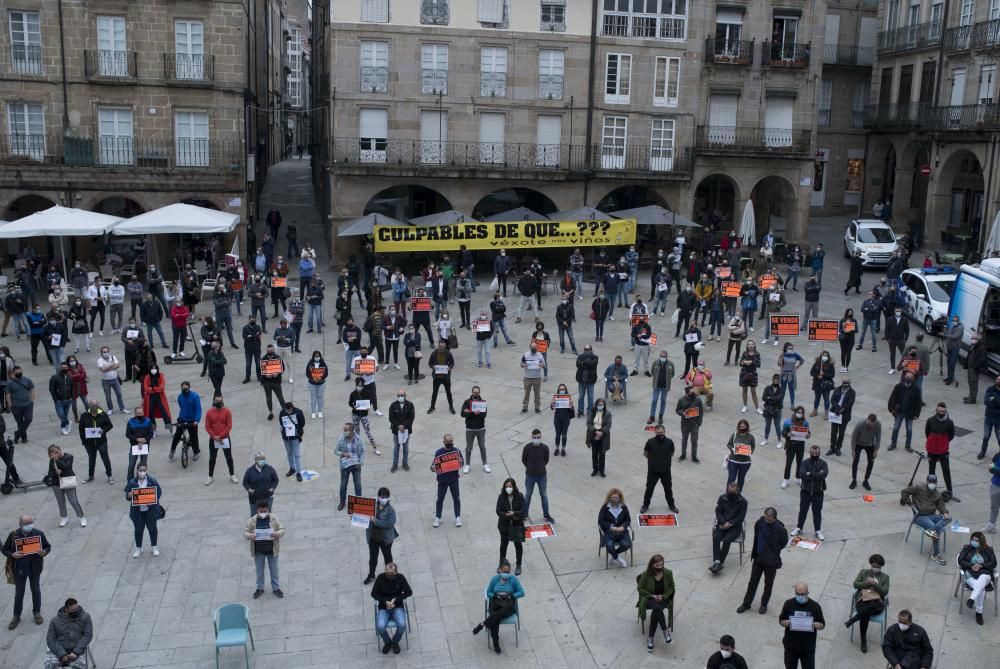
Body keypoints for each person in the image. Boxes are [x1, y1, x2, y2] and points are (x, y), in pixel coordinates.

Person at [737, 507, 789, 615]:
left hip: (771, 562)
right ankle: (746, 603)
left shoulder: (780, 530)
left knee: (768, 584)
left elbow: (784, 543)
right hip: (758, 558)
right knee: (752, 582)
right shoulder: (759, 523)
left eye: (769, 519)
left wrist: (772, 552)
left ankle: (764, 604)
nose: (767, 521)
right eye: (766, 518)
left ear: (774, 518)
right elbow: (757, 537)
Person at [2, 514, 51, 629]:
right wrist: (12, 554)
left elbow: (48, 546)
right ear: (20, 525)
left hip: (35, 568)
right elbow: (5, 549)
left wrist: (44, 551)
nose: (29, 525)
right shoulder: (14, 535)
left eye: (31, 522)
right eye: (26, 523)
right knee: (19, 593)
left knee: (35, 590)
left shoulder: (39, 533)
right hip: (19, 570)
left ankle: (37, 612)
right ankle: (16, 616)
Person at [473, 559, 524, 654]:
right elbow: (488, 593)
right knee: (495, 619)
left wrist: (512, 595)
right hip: (496, 602)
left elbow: (521, 592)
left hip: (508, 603)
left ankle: (482, 625)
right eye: (504, 572)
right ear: (500, 570)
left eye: (508, 572)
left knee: (496, 616)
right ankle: (496, 643)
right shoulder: (494, 579)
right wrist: (495, 595)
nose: (506, 574)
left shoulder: (513, 580)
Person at [843, 554, 890, 654]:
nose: (875, 568)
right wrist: (868, 583)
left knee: (870, 607)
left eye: (878, 567)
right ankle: (863, 640)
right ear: (870, 564)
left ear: (881, 567)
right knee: (866, 613)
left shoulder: (885, 577)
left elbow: (885, 592)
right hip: (863, 600)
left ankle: (854, 620)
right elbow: (856, 584)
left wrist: (875, 585)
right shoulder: (864, 573)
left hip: (877, 604)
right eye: (873, 566)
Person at [901, 474, 950, 565]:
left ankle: (932, 530)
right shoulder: (919, 487)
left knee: (948, 518)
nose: (932, 484)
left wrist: (945, 512)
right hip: (920, 516)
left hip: (932, 515)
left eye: (934, 482)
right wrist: (910, 503)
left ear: (936, 483)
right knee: (936, 531)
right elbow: (904, 491)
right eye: (930, 482)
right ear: (927, 482)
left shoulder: (937, 493)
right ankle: (936, 554)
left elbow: (941, 505)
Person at [779, 582, 825, 669]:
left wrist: (820, 626)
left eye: (803, 594)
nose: (800, 596)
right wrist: (783, 623)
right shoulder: (788, 604)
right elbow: (781, 619)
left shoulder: (815, 607)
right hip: (791, 647)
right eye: (798, 593)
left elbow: (822, 623)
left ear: (807, 593)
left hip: (808, 648)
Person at [636, 554, 675, 651]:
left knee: (656, 612)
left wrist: (663, 596)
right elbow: (640, 588)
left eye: (661, 565)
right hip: (650, 599)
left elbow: (672, 587)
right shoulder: (646, 574)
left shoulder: (668, 573)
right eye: (657, 565)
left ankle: (650, 639)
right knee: (657, 608)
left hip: (663, 598)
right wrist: (651, 595)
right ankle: (665, 632)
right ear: (652, 565)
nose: (660, 567)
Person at [372, 562, 412, 655]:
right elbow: (374, 593)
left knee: (402, 624)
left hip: (397, 606)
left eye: (391, 573)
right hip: (383, 607)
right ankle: (387, 642)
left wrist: (396, 599)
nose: (388, 575)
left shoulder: (400, 578)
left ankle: (395, 642)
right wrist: (384, 601)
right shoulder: (380, 578)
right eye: (387, 572)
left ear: (395, 572)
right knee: (380, 626)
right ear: (385, 571)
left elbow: (409, 592)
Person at [44, 597, 93, 669]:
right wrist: (61, 654)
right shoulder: (55, 621)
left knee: (80, 665)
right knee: (49, 665)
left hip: (77, 650)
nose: (77, 611)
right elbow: (50, 639)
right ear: (66, 609)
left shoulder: (85, 617)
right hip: (59, 650)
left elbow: (88, 635)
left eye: (77, 608)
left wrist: (76, 652)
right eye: (73, 610)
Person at [709, 482, 747, 574]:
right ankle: (717, 562)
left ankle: (720, 562)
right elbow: (718, 512)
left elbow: (741, 517)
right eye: (729, 491)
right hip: (722, 524)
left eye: (733, 492)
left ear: (737, 491)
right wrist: (723, 522)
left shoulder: (743, 502)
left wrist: (730, 523)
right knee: (716, 537)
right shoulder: (722, 498)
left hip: (734, 527)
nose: (730, 493)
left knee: (727, 540)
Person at [640, 423, 678, 513]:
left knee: (668, 489)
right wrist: (653, 460)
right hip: (653, 470)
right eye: (658, 433)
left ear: (665, 432)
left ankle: (671, 505)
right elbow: (646, 453)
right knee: (649, 488)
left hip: (665, 470)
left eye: (661, 432)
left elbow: (672, 453)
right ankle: (645, 505)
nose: (660, 434)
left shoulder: (670, 442)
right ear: (655, 433)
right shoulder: (650, 442)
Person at [364, 487, 399, 585]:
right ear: (378, 496)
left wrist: (375, 521)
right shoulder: (372, 505)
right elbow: (363, 516)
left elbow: (389, 523)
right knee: (373, 557)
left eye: (386, 497)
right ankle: (371, 575)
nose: (383, 498)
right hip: (373, 536)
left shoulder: (390, 510)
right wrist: (354, 518)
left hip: (385, 538)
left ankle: (390, 576)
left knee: (387, 557)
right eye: (382, 496)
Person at [124, 465, 161, 558]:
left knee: (152, 529)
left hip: (150, 511)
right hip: (137, 511)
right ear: (137, 471)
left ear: (146, 470)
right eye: (140, 470)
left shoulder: (152, 481)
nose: (142, 472)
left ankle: (154, 547)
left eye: (144, 470)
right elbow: (127, 497)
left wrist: (152, 502)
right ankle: (138, 548)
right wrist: (129, 495)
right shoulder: (132, 482)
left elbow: (158, 492)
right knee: (138, 530)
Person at [793, 445, 828, 541]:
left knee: (817, 512)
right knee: (803, 511)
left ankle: (818, 530)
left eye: (816, 453)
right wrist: (817, 474)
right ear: (810, 453)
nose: (814, 455)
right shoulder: (805, 463)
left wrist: (811, 473)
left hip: (818, 493)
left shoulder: (823, 463)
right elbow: (803, 475)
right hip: (805, 492)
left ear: (819, 453)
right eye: (812, 453)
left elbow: (823, 475)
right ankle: (799, 527)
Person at [46, 445, 86, 527]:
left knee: (73, 501)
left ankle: (81, 517)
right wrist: (55, 472)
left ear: (60, 450)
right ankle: (64, 517)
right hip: (56, 484)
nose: (55, 454)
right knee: (61, 502)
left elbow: (67, 467)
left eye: (56, 452)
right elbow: (49, 472)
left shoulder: (69, 457)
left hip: (68, 482)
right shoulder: (51, 460)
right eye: (52, 453)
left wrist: (58, 461)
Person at [925, 402, 958, 500]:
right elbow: (927, 433)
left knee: (946, 471)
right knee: (931, 471)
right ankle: (931, 490)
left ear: (946, 411)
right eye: (939, 411)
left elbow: (951, 435)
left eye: (943, 411)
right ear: (936, 411)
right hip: (931, 450)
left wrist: (943, 443)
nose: (941, 413)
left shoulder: (949, 422)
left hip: (943, 451)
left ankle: (949, 491)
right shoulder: (930, 420)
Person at [521, 429, 554, 523]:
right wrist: (530, 467)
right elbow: (524, 460)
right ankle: (524, 514)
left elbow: (546, 460)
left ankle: (546, 515)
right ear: (532, 437)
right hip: (530, 476)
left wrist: (539, 467)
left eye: (538, 437)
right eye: (534, 437)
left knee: (544, 495)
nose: (536, 439)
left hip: (542, 476)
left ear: (541, 437)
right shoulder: (527, 447)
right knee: (528, 495)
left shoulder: (545, 448)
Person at [431, 434, 463, 527]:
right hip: (442, 481)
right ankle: (438, 517)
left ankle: (457, 517)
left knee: (456, 498)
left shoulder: (457, 451)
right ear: (443, 442)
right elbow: (433, 465)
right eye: (447, 441)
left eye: (451, 441)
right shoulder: (438, 452)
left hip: (454, 480)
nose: (449, 443)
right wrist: (432, 468)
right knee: (440, 499)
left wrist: (460, 461)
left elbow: (461, 463)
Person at [496, 478, 525, 574]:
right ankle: (501, 564)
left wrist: (514, 513)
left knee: (518, 545)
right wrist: (506, 515)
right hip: (504, 525)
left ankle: (519, 565)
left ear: (514, 487)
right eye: (506, 487)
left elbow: (523, 511)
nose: (508, 488)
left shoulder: (519, 496)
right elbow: (498, 511)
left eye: (510, 486)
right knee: (504, 544)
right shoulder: (501, 497)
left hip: (517, 524)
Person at [888, 371, 922, 451]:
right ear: (904, 377)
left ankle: (908, 446)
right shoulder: (898, 386)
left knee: (909, 429)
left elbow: (918, 403)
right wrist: (891, 408)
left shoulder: (916, 389)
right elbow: (892, 398)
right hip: (899, 412)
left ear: (913, 379)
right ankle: (893, 443)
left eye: (910, 377)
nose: (909, 378)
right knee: (896, 428)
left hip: (910, 413)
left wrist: (916, 414)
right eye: (907, 376)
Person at [598, 488, 632, 568]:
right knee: (609, 545)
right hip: (609, 532)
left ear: (619, 498)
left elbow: (628, 520)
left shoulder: (623, 507)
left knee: (626, 544)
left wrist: (623, 527)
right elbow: (600, 521)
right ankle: (618, 558)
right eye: (612, 497)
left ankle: (613, 555)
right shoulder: (605, 507)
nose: (614, 499)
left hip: (622, 532)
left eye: (616, 497)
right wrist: (611, 527)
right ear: (609, 497)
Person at [335, 421, 364, 511]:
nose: (344, 431)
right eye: (344, 430)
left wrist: (361, 463)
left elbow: (363, 451)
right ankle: (342, 501)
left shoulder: (359, 439)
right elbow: (335, 451)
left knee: (358, 484)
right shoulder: (341, 439)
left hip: (356, 466)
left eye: (346, 430)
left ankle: (359, 502)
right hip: (345, 466)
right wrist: (343, 453)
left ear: (352, 430)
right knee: (343, 485)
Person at [169, 381, 201, 461]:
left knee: (194, 437)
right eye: (183, 388)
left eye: (186, 388)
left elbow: (198, 409)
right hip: (182, 419)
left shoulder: (195, 396)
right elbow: (181, 406)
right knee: (177, 435)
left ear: (189, 388)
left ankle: (196, 452)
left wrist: (196, 420)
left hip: (192, 421)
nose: (185, 390)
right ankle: (172, 450)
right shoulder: (180, 396)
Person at [780, 406, 811, 488]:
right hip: (790, 445)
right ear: (795, 412)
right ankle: (785, 479)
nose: (800, 414)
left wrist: (808, 435)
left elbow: (808, 432)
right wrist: (788, 434)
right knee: (789, 463)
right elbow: (783, 433)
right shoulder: (788, 422)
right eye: (798, 412)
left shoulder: (805, 422)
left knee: (800, 462)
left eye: (802, 413)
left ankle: (798, 477)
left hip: (800, 445)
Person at [850, 413, 881, 490]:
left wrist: (876, 450)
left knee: (871, 462)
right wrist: (853, 450)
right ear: (868, 420)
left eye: (873, 425)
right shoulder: (860, 424)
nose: (871, 426)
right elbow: (853, 437)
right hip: (858, 443)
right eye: (870, 424)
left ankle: (866, 480)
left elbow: (878, 437)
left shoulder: (878, 425)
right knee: (855, 461)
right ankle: (854, 480)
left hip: (870, 444)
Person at [243, 451, 278, 516]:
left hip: (268, 497)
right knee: (254, 516)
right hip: (254, 498)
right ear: (255, 460)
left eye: (264, 459)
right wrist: (249, 489)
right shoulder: (250, 471)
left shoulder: (270, 469)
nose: (263, 460)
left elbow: (276, 480)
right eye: (260, 459)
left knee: (267, 515)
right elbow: (245, 482)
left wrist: (272, 488)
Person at [278, 400, 306, 482]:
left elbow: (302, 423)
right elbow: (281, 422)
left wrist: (295, 427)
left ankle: (298, 472)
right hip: (286, 437)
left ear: (292, 408)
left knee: (296, 455)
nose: (287, 412)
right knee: (289, 454)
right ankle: (292, 468)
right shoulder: (282, 412)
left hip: (295, 436)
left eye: (289, 410)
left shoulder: (298, 412)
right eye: (286, 410)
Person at [389, 389, 415, 473]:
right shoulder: (393, 405)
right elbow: (391, 418)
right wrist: (398, 426)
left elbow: (411, 417)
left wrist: (404, 425)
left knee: (405, 447)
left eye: (402, 395)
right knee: (396, 447)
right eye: (399, 395)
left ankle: (405, 463)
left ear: (405, 396)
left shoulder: (410, 405)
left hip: (406, 430)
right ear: (397, 396)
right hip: (396, 430)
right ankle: (395, 464)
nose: (401, 397)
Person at [675, 385, 704, 461]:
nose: (693, 393)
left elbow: (701, 411)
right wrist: (682, 413)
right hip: (684, 424)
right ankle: (683, 454)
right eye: (691, 392)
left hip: (694, 424)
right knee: (684, 440)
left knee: (694, 441)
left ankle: (694, 456)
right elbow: (677, 410)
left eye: (693, 391)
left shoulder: (698, 400)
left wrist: (699, 423)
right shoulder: (681, 400)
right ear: (687, 392)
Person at [726, 419, 755, 491]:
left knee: (741, 480)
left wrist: (749, 451)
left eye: (744, 426)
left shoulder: (751, 437)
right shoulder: (734, 435)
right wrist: (732, 449)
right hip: (733, 461)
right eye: (741, 426)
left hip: (745, 462)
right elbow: (729, 444)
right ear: (738, 427)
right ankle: (728, 495)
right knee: (731, 479)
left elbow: (753, 447)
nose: (742, 428)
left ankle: (738, 495)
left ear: (747, 427)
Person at [427, 340, 455, 414]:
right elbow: (430, 363)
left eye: (443, 346)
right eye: (440, 346)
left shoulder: (448, 354)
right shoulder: (434, 353)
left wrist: (450, 368)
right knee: (434, 393)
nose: (442, 347)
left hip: (446, 377)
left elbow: (452, 363)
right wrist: (433, 367)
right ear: (438, 345)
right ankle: (432, 407)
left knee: (448, 392)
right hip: (437, 377)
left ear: (445, 346)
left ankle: (451, 407)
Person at [259, 345, 286, 420]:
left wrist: (277, 373)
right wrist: (265, 375)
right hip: (266, 382)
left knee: (280, 397)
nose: (270, 352)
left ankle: (285, 411)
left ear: (273, 350)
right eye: (268, 350)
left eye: (271, 350)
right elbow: (260, 371)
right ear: (266, 350)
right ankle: (271, 412)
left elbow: (282, 368)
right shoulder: (263, 359)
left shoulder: (278, 358)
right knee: (268, 398)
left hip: (276, 381)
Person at [586, 400, 611, 477]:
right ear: (596, 405)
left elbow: (608, 425)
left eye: (602, 404)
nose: (600, 406)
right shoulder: (592, 412)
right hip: (593, 434)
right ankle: (595, 469)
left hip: (603, 435)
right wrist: (595, 432)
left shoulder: (607, 413)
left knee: (602, 454)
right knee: (594, 454)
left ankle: (601, 470)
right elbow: (589, 423)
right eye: (599, 404)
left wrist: (601, 432)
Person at [647, 350, 673, 425]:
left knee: (663, 401)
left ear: (666, 357)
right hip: (656, 386)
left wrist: (667, 380)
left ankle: (661, 416)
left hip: (665, 386)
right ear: (659, 356)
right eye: (661, 356)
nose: (663, 358)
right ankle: (652, 416)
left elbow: (672, 374)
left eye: (664, 356)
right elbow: (652, 372)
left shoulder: (670, 364)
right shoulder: (655, 363)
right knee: (654, 400)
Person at [50, 362, 75, 436]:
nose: (64, 369)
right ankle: (68, 422)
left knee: (65, 415)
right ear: (60, 368)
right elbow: (51, 388)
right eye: (63, 367)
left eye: (66, 367)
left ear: (68, 368)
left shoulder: (70, 376)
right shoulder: (55, 377)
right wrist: (56, 399)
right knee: (61, 414)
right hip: (59, 400)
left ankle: (63, 428)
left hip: (68, 399)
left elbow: (72, 387)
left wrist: (72, 397)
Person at [808, 350, 835, 418]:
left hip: (826, 385)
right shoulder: (817, 363)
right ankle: (815, 411)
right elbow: (811, 372)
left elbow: (832, 375)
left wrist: (824, 374)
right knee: (817, 398)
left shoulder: (830, 364)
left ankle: (826, 412)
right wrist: (817, 376)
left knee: (826, 399)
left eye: (826, 355)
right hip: (817, 383)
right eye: (823, 355)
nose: (824, 357)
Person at [550, 382, 575, 456]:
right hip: (557, 419)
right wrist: (552, 403)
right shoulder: (556, 397)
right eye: (560, 389)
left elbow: (572, 409)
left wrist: (571, 405)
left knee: (564, 435)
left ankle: (563, 449)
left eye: (563, 389)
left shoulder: (568, 397)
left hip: (566, 419)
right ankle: (557, 448)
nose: (562, 390)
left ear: (565, 390)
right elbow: (552, 408)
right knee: (557, 435)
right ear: (558, 390)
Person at [520, 343, 545, 413]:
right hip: (527, 378)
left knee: (537, 394)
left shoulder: (540, 355)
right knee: (526, 394)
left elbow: (544, 365)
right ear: (530, 347)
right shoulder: (525, 355)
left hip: (537, 378)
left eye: (535, 347)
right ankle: (525, 407)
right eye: (533, 347)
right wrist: (524, 365)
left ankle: (537, 408)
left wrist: (541, 365)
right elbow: (521, 364)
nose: (534, 348)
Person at [738, 341, 762, 413]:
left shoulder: (757, 354)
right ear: (747, 346)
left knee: (753, 391)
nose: (751, 346)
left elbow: (758, 364)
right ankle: (745, 406)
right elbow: (740, 363)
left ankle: (757, 408)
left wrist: (751, 362)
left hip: (753, 374)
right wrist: (744, 362)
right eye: (749, 344)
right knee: (744, 390)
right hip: (744, 374)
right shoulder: (744, 353)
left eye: (752, 344)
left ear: (754, 345)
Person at [885, 305, 910, 373]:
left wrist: (905, 339)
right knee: (892, 354)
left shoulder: (904, 319)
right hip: (892, 340)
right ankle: (892, 368)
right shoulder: (890, 319)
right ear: (894, 311)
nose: (898, 312)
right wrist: (888, 339)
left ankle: (906, 367)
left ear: (901, 311)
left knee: (904, 354)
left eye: (899, 311)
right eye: (897, 311)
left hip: (901, 340)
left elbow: (907, 330)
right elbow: (887, 329)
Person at [778, 342, 804, 407]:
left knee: (791, 390)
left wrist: (797, 366)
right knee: (782, 390)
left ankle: (792, 404)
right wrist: (780, 357)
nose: (790, 349)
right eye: (789, 348)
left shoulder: (795, 355)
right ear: (786, 348)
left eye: (792, 348)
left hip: (791, 375)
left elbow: (802, 360)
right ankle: (780, 403)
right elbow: (779, 364)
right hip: (784, 374)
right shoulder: (783, 355)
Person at [576, 345, 599, 415]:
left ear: (591, 350)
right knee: (580, 397)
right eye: (585, 349)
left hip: (590, 381)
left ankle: (590, 411)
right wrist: (588, 364)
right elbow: (578, 365)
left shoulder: (595, 357)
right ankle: (580, 410)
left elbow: (592, 364)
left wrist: (584, 362)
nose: (587, 351)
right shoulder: (580, 356)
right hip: (581, 381)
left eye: (588, 349)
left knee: (591, 397)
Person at [305, 350, 328, 418]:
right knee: (313, 398)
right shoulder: (310, 363)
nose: (317, 357)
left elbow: (326, 373)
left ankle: (320, 411)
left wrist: (320, 378)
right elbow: (307, 373)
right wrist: (313, 378)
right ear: (313, 356)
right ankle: (313, 412)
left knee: (320, 397)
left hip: (321, 383)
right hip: (312, 384)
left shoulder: (323, 363)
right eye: (316, 356)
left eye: (318, 356)